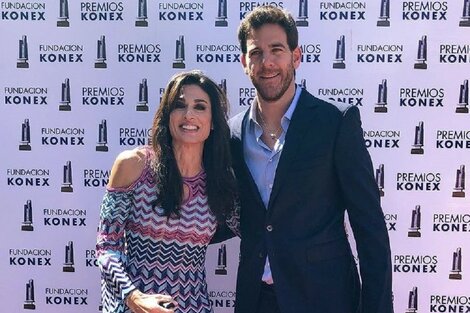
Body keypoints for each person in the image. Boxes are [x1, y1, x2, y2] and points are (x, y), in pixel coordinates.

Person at [229, 5, 394, 313]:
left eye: (277, 50)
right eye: (256, 53)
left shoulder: (335, 123)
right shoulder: (232, 134)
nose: (266, 62)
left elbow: (369, 226)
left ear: (296, 56)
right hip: (256, 301)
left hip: (325, 299)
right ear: (243, 62)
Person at [96, 70, 237, 313]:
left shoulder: (221, 180)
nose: (189, 114)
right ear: (167, 114)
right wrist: (133, 297)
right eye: (179, 105)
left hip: (194, 306)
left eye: (200, 107)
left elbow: (257, 230)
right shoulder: (134, 165)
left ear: (213, 121)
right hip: (135, 306)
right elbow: (107, 245)